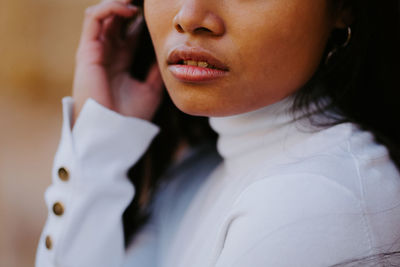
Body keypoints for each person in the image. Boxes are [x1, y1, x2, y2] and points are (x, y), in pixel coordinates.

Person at [35, 0, 400, 266]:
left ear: (343, 8)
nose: (189, 17)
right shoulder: (195, 175)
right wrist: (100, 146)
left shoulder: (314, 200)